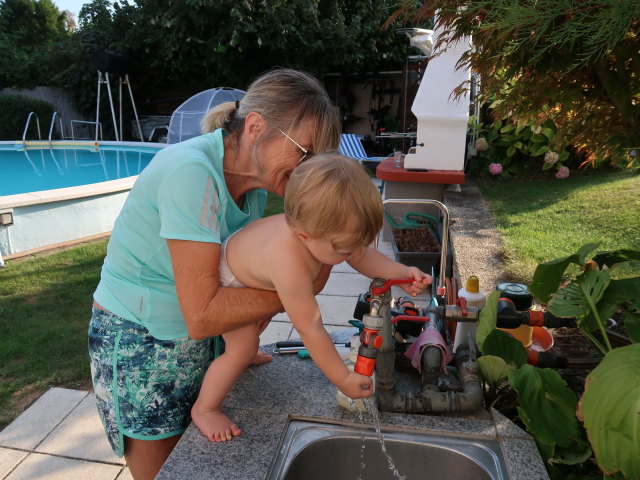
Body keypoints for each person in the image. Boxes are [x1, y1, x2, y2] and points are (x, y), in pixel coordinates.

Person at [88, 68, 341, 480]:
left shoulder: (255, 186)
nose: (309, 170)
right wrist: (297, 293)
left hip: (199, 339)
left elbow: (238, 279)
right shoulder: (191, 172)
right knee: (167, 473)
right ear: (256, 128)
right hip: (141, 340)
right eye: (304, 152)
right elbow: (204, 313)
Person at [190, 153, 432, 442]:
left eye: (358, 245)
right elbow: (311, 327)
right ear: (304, 236)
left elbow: (362, 255)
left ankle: (246, 356)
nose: (352, 255)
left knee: (259, 324)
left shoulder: (318, 229)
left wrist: (401, 273)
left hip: (250, 262)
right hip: (231, 282)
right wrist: (342, 378)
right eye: (343, 250)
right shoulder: (288, 262)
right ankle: (205, 408)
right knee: (241, 347)